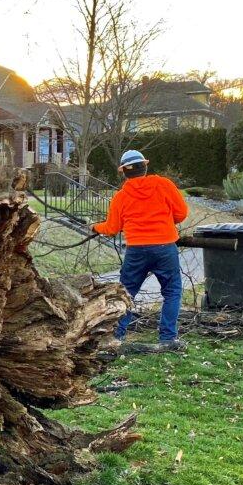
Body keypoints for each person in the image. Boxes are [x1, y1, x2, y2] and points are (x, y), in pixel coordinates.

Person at [93, 149, 189, 350]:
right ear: (145, 166)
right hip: (165, 247)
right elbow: (181, 214)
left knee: (126, 293)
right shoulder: (164, 185)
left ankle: (116, 336)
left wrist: (94, 227)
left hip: (136, 249)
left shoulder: (121, 196)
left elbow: (111, 228)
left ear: (124, 172)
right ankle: (168, 338)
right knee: (172, 292)